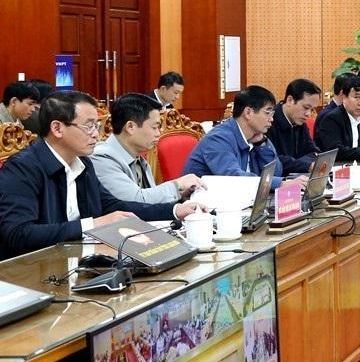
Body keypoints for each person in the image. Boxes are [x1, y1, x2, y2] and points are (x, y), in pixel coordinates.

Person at [0, 91, 200, 259]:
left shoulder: (83, 162)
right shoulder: (22, 169)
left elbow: (112, 206)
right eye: (89, 126)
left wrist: (174, 210)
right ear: (57, 128)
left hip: (78, 259)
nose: (96, 134)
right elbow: (18, 234)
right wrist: (92, 225)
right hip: (34, 269)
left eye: (97, 125)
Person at [91, 93, 204, 203]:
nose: (158, 134)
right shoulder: (102, 158)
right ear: (130, 127)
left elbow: (150, 202)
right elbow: (135, 201)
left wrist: (181, 196)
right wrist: (178, 184)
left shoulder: (137, 158)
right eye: (154, 127)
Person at [184, 86, 283, 189]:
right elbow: (235, 179)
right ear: (248, 112)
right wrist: (280, 184)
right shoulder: (218, 139)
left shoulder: (254, 136)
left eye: (272, 114)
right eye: (267, 113)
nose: (271, 119)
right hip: (205, 198)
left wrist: (261, 144)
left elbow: (276, 173)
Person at [314, 74, 360, 162]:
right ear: (344, 97)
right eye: (357, 97)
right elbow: (337, 152)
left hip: (355, 167)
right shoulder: (332, 118)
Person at [266, 79, 322, 175]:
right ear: (290, 100)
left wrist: (297, 163)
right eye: (306, 107)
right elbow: (272, 160)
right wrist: (304, 165)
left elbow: (314, 152)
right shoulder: (268, 122)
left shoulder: (300, 123)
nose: (308, 114)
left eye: (312, 109)